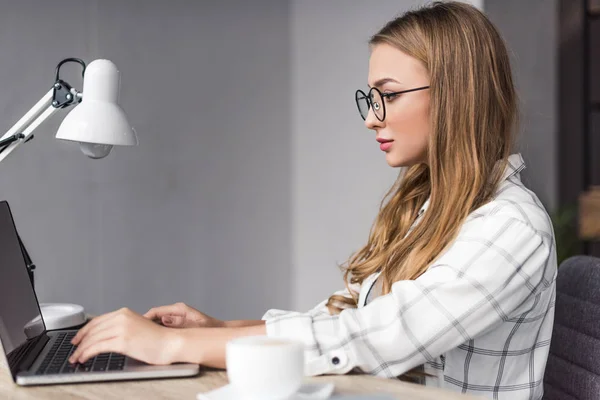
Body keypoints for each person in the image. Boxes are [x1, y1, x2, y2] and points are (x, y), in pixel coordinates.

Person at [68, 2, 556, 398]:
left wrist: (175, 343)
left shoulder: (511, 227)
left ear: (455, 95)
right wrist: (224, 328)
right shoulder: (429, 207)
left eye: (388, 94)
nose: (372, 118)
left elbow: (374, 338)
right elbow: (346, 320)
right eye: (371, 97)